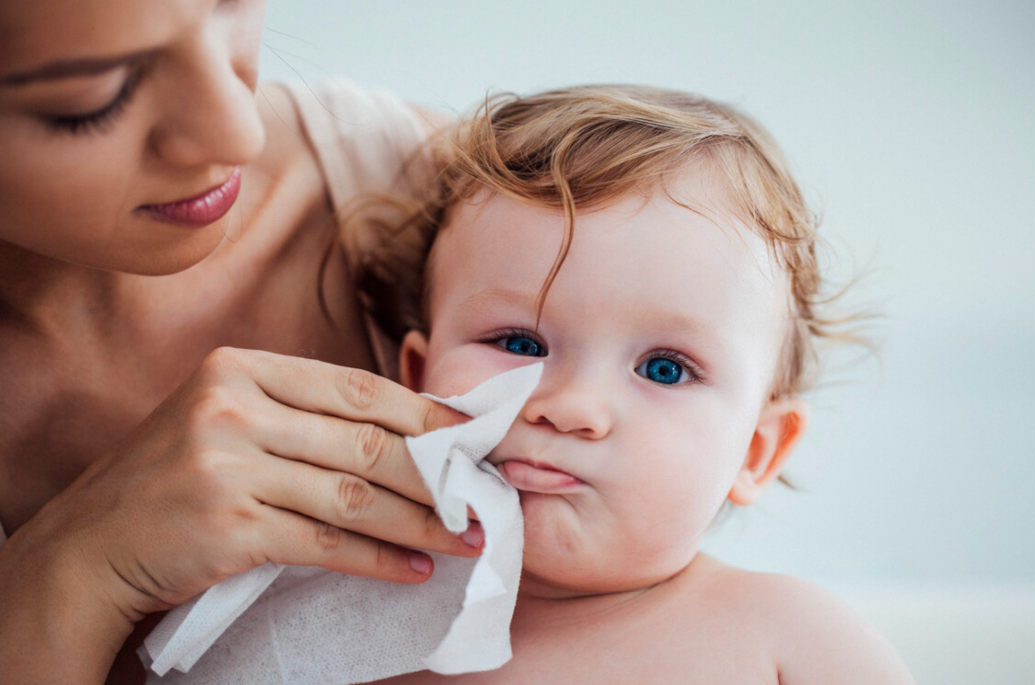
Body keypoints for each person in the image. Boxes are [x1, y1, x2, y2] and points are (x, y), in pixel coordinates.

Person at [0, 1, 487, 683]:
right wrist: (73, 570)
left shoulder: (436, 198)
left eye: (227, 5)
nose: (238, 131)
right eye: (92, 99)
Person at [362, 85, 916, 683]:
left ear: (756, 452)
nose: (573, 408)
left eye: (664, 369)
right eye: (520, 344)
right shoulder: (348, 626)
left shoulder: (792, 640)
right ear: (416, 381)